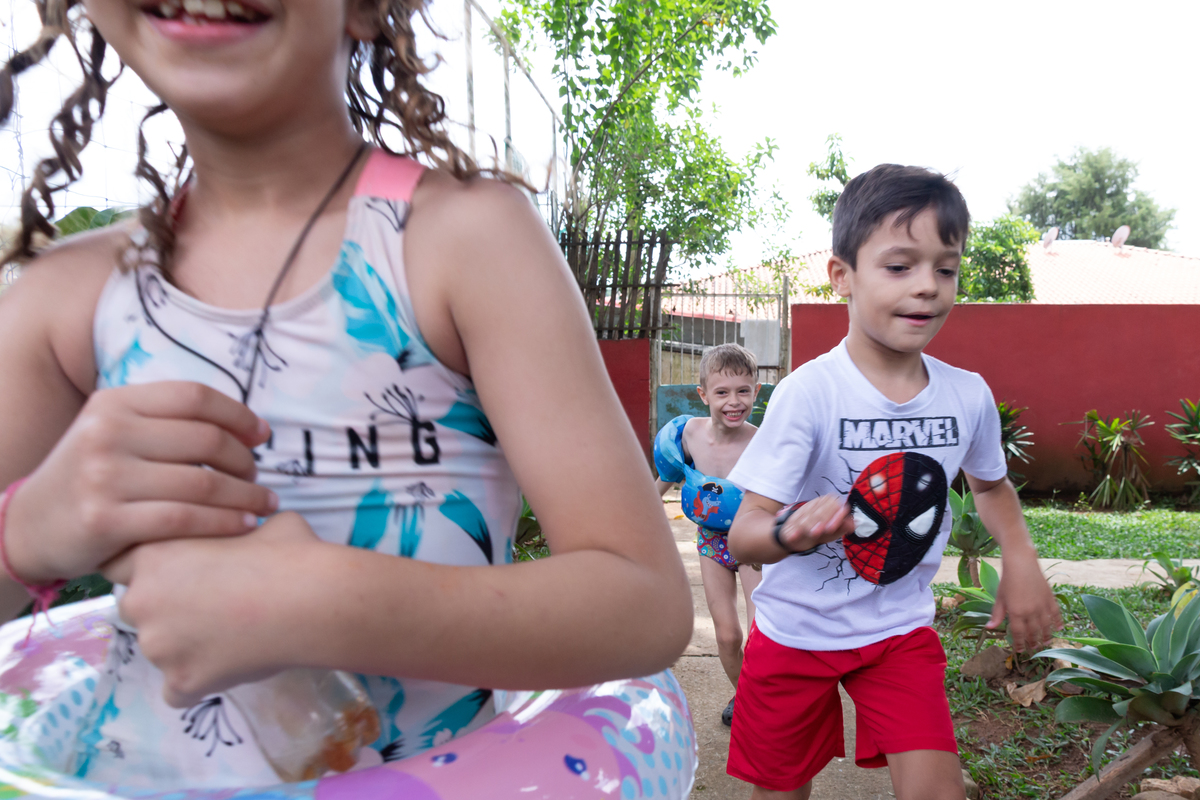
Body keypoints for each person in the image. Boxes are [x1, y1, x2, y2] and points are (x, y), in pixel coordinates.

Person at [0, 0, 692, 787]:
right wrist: (28, 530)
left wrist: (322, 603)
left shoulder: (461, 242)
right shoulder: (66, 297)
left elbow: (644, 605)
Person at [725, 164, 1062, 800]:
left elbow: (991, 487)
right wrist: (789, 533)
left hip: (897, 634)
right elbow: (742, 535)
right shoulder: (810, 393)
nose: (928, 286)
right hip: (794, 634)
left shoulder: (967, 395)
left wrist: (1021, 558)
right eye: (900, 266)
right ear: (842, 276)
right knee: (779, 791)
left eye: (946, 268)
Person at [655, 343, 762, 727]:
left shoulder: (761, 443)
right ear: (703, 395)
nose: (734, 402)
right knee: (728, 636)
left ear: (756, 391)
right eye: (722, 392)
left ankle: (762, 702)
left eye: (743, 391)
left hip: (753, 544)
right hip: (712, 542)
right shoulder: (688, 436)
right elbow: (665, 480)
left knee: (759, 636)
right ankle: (744, 696)